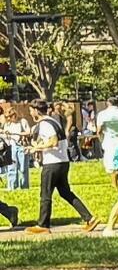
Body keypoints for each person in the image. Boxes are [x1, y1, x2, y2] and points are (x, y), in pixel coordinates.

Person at [31, 98, 98, 230]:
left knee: (45, 194)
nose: (31, 113)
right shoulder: (53, 121)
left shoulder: (44, 124)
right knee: (66, 193)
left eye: (31, 111)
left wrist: (37, 148)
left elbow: (54, 141)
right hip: (63, 161)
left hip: (52, 163)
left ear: (36, 111)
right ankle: (89, 218)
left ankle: (43, 225)